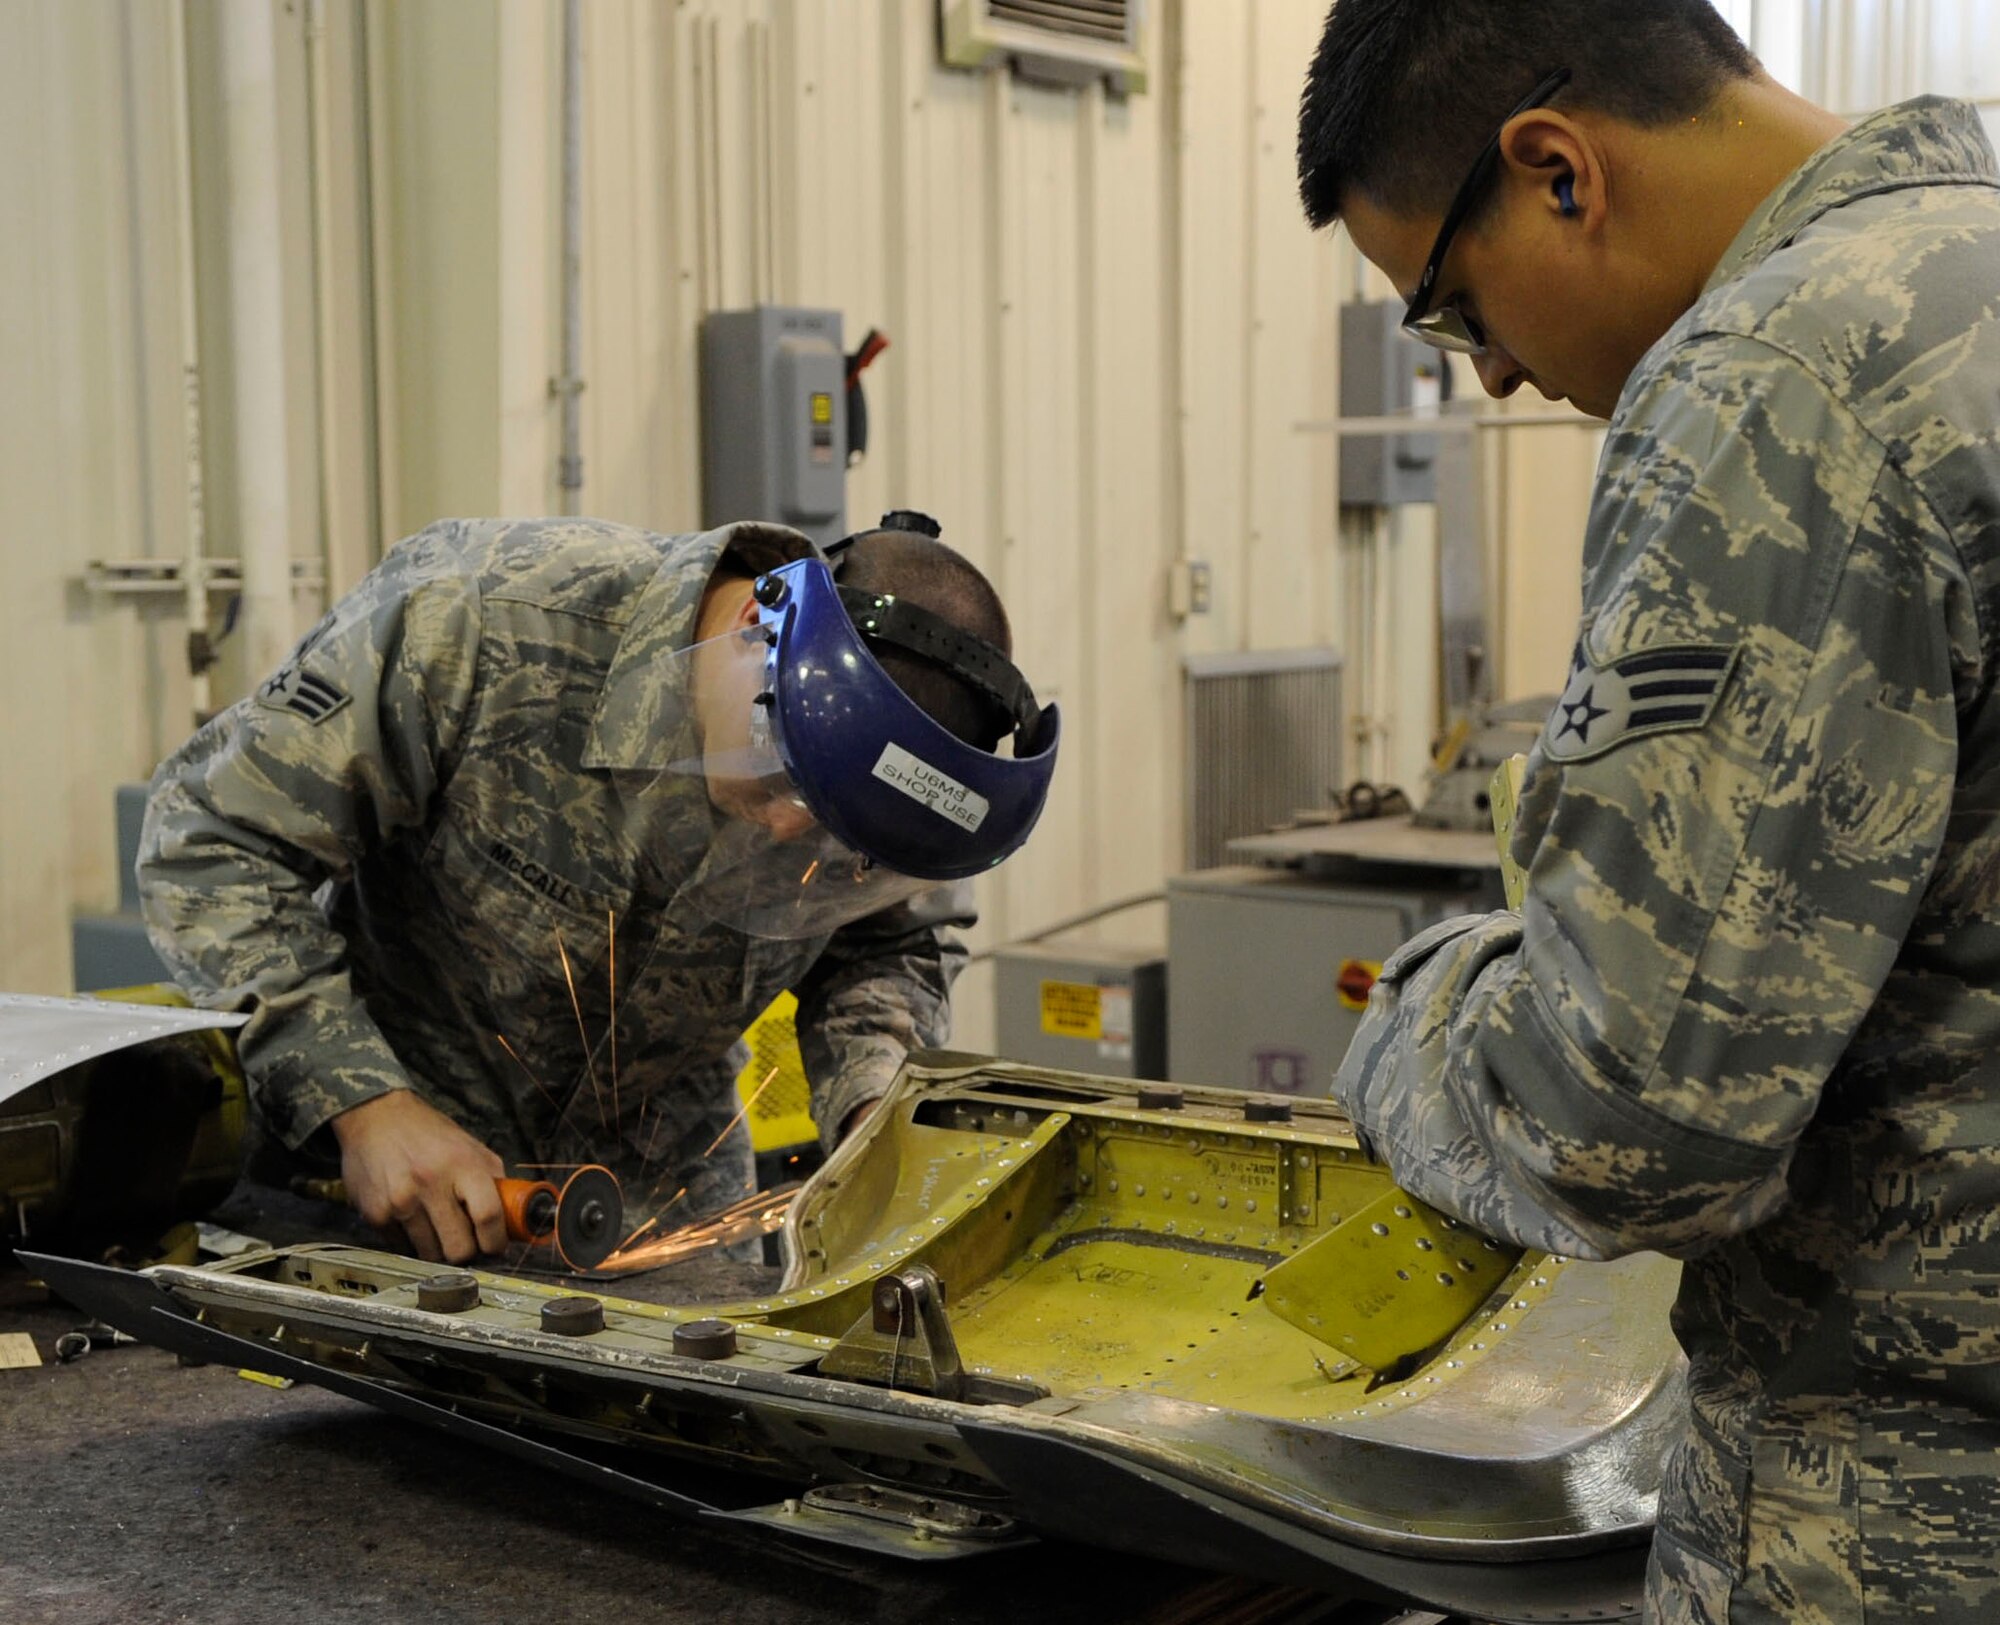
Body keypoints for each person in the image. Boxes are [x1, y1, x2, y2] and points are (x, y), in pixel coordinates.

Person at [1298, 3, 2000, 1619]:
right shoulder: (1966, 280)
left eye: (1452, 304)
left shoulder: (1781, 382)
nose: (1488, 371)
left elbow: (1631, 1122)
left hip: (1902, 1516)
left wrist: (1415, 1018)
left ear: (1557, 168)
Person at [139, 513, 1058, 1268]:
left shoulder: (888, 800)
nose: (789, 830)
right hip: (372, 1197)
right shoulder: (482, 619)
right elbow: (210, 838)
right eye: (788, 777)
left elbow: (889, 945)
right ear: (756, 627)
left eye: (839, 836)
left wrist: (869, 1107)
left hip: (662, 1219)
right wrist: (363, 1104)